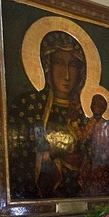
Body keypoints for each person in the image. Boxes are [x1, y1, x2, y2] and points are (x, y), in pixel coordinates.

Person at [8, 30, 89, 199]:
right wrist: (50, 156)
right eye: (59, 63)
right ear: (47, 66)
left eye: (73, 66)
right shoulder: (29, 105)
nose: (66, 75)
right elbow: (18, 156)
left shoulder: (86, 111)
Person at [80, 94, 109, 196]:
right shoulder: (88, 122)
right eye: (94, 105)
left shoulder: (108, 125)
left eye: (99, 106)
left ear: (104, 108)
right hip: (88, 160)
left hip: (102, 162)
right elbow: (82, 139)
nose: (96, 108)